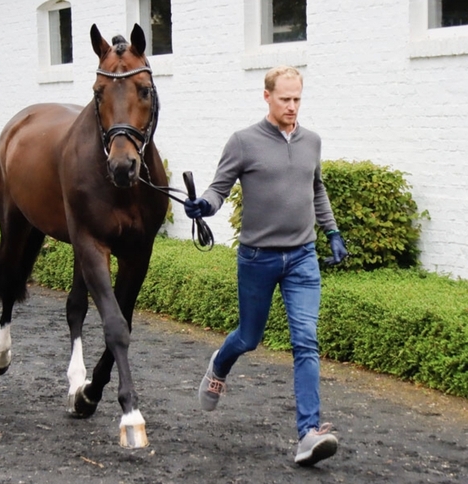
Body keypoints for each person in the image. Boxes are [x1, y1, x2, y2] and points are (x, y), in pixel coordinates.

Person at [184, 65, 347, 467]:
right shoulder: (243, 142)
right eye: (285, 99)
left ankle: (308, 434)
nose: (292, 107)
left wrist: (332, 231)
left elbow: (316, 187)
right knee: (249, 337)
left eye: (297, 99)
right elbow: (219, 189)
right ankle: (220, 363)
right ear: (267, 97)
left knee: (306, 341)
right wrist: (204, 206)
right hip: (258, 258)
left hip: (303, 258)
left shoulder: (312, 141)